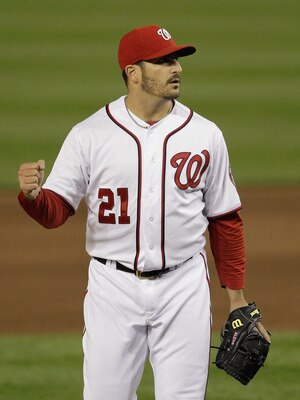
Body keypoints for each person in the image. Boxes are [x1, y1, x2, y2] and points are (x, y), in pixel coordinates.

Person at [18, 25, 269, 400]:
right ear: (133, 72)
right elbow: (56, 212)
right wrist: (33, 196)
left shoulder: (205, 134)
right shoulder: (89, 134)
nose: (177, 68)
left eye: (177, 60)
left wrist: (237, 298)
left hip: (183, 286)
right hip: (112, 287)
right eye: (164, 61)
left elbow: (225, 219)